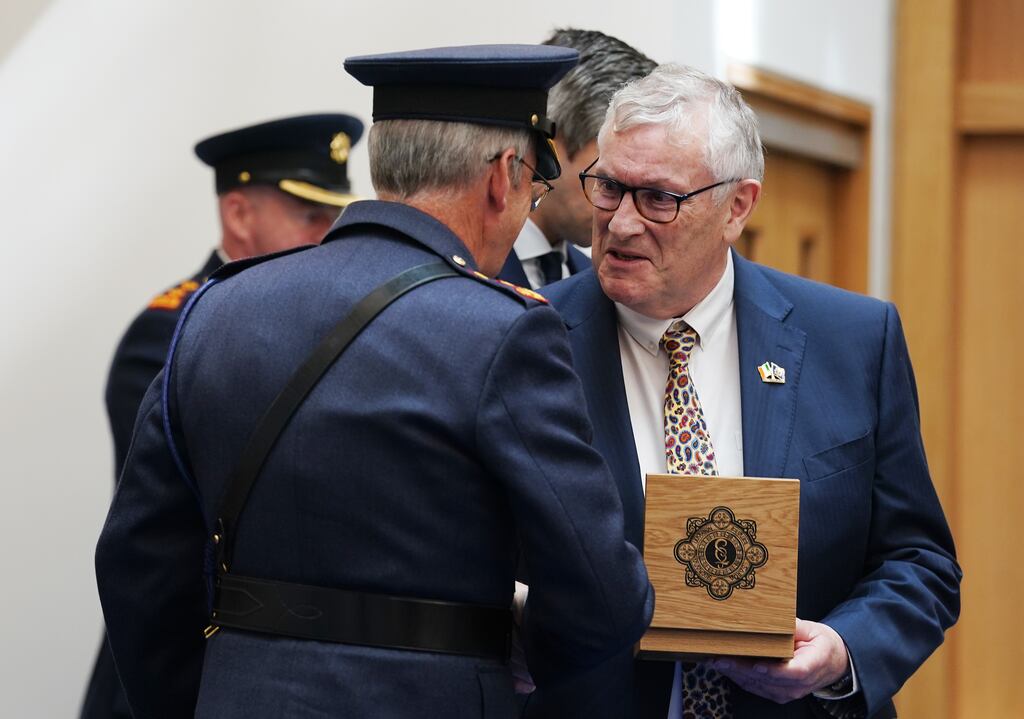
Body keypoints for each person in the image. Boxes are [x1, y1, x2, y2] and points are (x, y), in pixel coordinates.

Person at [94, 44, 653, 719]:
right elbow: (603, 595)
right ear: (505, 176)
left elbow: (137, 562)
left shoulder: (215, 310)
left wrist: (211, 693)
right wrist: (513, 663)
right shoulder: (502, 331)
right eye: (536, 181)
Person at [544, 64, 962, 719]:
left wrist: (842, 648)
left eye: (658, 198)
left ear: (737, 206)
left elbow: (920, 561)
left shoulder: (852, 340)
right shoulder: (526, 338)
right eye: (609, 187)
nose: (621, 223)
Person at [80, 112, 363, 719]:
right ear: (239, 215)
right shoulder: (169, 332)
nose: (331, 236)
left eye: (337, 217)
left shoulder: (326, 328)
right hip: (179, 669)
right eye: (311, 216)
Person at [497, 28, 655, 290]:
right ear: (548, 145)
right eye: (611, 182)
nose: (627, 217)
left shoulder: (600, 284)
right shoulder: (466, 267)